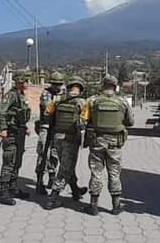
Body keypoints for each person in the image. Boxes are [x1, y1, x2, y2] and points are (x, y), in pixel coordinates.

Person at [83, 74, 134, 216]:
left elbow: (85, 118)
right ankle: (116, 206)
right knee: (114, 172)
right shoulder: (123, 102)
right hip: (115, 143)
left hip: (97, 141)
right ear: (115, 86)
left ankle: (93, 206)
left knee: (96, 172)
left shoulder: (92, 101)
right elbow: (130, 122)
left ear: (103, 85)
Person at [43, 76, 89, 210]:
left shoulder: (57, 100)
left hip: (57, 137)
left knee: (67, 164)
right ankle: (52, 199)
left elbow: (47, 114)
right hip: (70, 139)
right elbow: (83, 121)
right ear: (80, 88)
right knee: (64, 169)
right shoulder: (82, 103)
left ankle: (75, 191)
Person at [0, 72, 32, 206]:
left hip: (20, 132)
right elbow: (0, 112)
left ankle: (13, 188)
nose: (27, 84)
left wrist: (25, 127)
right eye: (25, 81)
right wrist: (3, 128)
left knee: (17, 161)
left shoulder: (21, 96)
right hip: (11, 133)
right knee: (9, 161)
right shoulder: (11, 95)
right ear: (19, 82)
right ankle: (3, 193)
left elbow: (19, 114)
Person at [34, 72, 64, 194]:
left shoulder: (62, 95)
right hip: (46, 127)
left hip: (57, 129)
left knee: (54, 154)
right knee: (43, 154)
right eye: (55, 84)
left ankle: (52, 177)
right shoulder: (46, 94)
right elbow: (47, 107)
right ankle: (39, 181)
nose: (57, 87)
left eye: (59, 84)